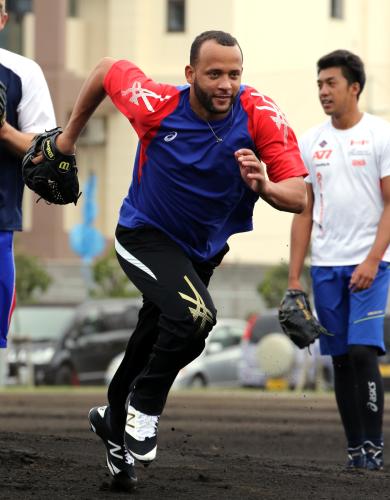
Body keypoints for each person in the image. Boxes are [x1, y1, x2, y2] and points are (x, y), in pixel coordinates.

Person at [54, 30, 307, 489]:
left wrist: (266, 187)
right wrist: (68, 140)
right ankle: (145, 404)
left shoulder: (260, 115)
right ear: (190, 74)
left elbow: (299, 196)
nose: (225, 84)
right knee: (197, 316)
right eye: (213, 74)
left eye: (234, 74)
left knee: (156, 337)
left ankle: (114, 422)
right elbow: (106, 69)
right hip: (144, 236)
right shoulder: (156, 104)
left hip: (200, 253)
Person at [288, 49, 390, 471]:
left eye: (330, 83)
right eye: (319, 85)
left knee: (364, 351)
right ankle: (355, 449)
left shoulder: (381, 135)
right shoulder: (311, 141)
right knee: (341, 360)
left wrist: (371, 260)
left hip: (373, 265)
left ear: (354, 87)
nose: (323, 92)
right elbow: (304, 211)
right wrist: (295, 278)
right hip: (326, 266)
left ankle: (374, 447)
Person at [0, 0, 56, 349]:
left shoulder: (22, 72)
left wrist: (4, 131)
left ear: (3, 19)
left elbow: (48, 152)